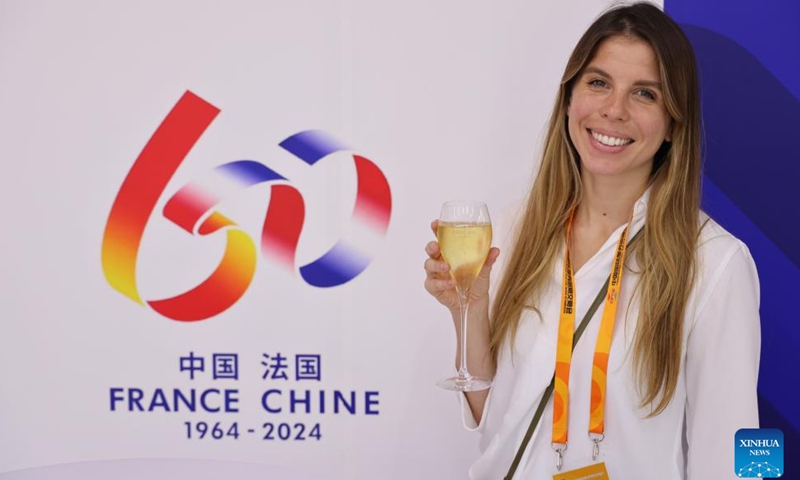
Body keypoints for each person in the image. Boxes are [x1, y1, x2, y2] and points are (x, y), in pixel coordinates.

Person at [423, 3, 760, 479]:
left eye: (644, 94)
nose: (613, 110)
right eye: (598, 82)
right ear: (568, 98)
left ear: (672, 123)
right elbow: (499, 428)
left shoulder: (714, 264)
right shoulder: (517, 228)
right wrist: (471, 310)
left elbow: (734, 455)